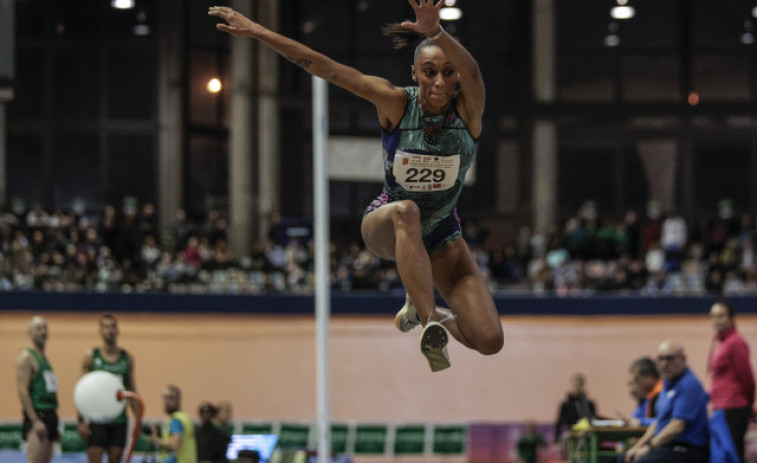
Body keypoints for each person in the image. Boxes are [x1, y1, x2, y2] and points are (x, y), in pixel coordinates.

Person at [208, 0, 504, 372]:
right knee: (407, 210)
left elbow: (474, 73)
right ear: (415, 74)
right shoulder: (395, 102)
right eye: (430, 72)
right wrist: (258, 31)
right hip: (388, 223)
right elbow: (326, 68)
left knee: (490, 341)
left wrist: (436, 33)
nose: (440, 82)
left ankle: (422, 303)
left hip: (443, 234)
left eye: (448, 72)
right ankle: (430, 323)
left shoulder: (468, 112)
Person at [619, 340, 708, 463]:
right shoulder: (666, 384)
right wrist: (638, 447)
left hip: (686, 449)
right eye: (660, 359)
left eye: (670, 359)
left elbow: (677, 426)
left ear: (683, 359)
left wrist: (649, 447)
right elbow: (658, 423)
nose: (664, 364)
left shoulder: (689, 385)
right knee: (624, 458)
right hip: (666, 446)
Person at [78, 314, 138, 463]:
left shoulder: (126, 358)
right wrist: (81, 421)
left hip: (119, 420)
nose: (110, 330)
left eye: (113, 326)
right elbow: (81, 391)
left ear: (118, 330)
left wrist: (138, 419)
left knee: (115, 459)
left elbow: (132, 390)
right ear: (100, 331)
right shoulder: (92, 356)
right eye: (106, 326)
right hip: (97, 418)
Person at [708, 301, 755, 463]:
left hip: (734, 408)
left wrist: (747, 405)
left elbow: (747, 378)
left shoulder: (736, 342)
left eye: (720, 315)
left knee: (732, 455)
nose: (716, 320)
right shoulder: (722, 343)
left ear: (731, 318)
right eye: (713, 316)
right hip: (722, 408)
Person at [15, 316, 58, 463]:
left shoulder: (44, 359)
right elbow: (23, 390)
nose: (43, 332)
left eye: (45, 328)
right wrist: (35, 420)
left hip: (50, 413)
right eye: (38, 328)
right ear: (30, 332)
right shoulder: (26, 357)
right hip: (38, 415)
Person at [150, 385, 197, 463]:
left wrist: (156, 440)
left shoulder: (177, 420)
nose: (167, 402)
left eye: (171, 398)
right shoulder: (185, 418)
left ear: (178, 400)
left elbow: (175, 445)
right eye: (165, 398)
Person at [554, 373, 597, 443]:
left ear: (582, 385)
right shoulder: (566, 405)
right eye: (575, 385)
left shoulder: (589, 404)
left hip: (586, 436)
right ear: (572, 385)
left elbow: (594, 420)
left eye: (579, 385)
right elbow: (559, 423)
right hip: (572, 436)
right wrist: (556, 440)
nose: (577, 387)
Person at [626, 357, 662, 427]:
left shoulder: (663, 393)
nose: (633, 388)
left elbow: (665, 421)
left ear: (650, 377)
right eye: (630, 384)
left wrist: (641, 422)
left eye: (637, 381)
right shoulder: (646, 399)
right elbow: (635, 418)